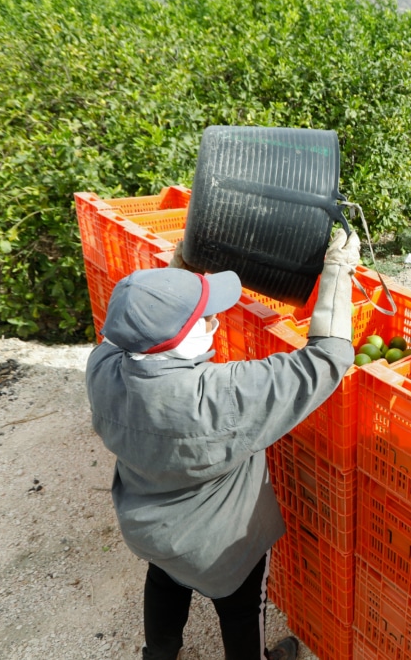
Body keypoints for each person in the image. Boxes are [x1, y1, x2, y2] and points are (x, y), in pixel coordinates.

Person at [84, 231, 362, 660]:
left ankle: (159, 654)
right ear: (182, 339)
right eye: (205, 316)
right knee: (240, 609)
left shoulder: (102, 369)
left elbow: (142, 333)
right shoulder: (218, 398)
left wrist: (178, 280)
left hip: (150, 530)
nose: (214, 319)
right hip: (220, 548)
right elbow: (327, 358)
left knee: (165, 579)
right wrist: (338, 272)